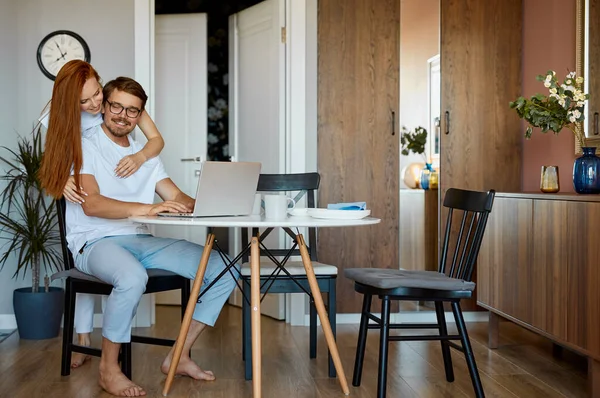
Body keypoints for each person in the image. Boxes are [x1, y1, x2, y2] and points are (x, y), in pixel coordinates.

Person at [62, 76, 237, 397]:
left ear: (140, 115)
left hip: (141, 241)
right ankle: (108, 369)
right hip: (95, 242)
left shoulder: (147, 156)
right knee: (132, 277)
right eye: (116, 106)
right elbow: (92, 204)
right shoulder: (86, 144)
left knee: (225, 268)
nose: (122, 115)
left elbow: (178, 197)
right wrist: (147, 208)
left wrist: (212, 201)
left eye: (132, 111)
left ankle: (179, 355)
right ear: (103, 107)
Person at [38, 60, 166, 369]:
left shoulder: (114, 102)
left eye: (97, 93)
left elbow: (157, 140)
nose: (95, 104)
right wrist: (64, 179)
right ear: (71, 103)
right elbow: (51, 164)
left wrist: (138, 156)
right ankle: (83, 339)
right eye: (85, 101)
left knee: (117, 268)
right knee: (92, 245)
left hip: (113, 192)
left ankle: (109, 340)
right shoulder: (58, 119)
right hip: (86, 197)